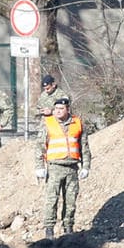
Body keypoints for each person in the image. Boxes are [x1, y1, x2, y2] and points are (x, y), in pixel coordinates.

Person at [35, 96, 89, 238]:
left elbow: (84, 146)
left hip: (72, 168)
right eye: (56, 109)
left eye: (61, 109)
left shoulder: (77, 123)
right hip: (54, 168)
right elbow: (40, 147)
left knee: (70, 201)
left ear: (68, 109)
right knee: (51, 199)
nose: (58, 111)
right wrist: (39, 166)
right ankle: (49, 230)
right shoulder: (48, 123)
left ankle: (68, 229)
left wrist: (86, 166)